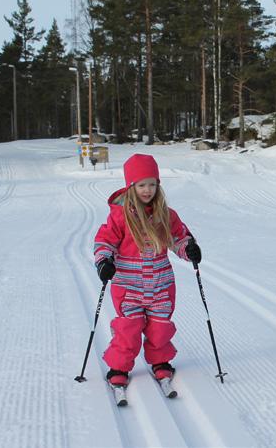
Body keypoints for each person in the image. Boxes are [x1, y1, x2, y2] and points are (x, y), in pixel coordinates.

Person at [93, 153, 202, 389]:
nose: (147, 190)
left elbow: (178, 239)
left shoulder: (166, 215)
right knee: (128, 329)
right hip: (128, 286)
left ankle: (160, 361)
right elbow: (104, 242)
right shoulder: (120, 217)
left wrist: (189, 249)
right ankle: (119, 366)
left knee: (160, 326)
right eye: (142, 184)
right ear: (131, 186)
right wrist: (104, 261)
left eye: (152, 184)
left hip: (161, 285)